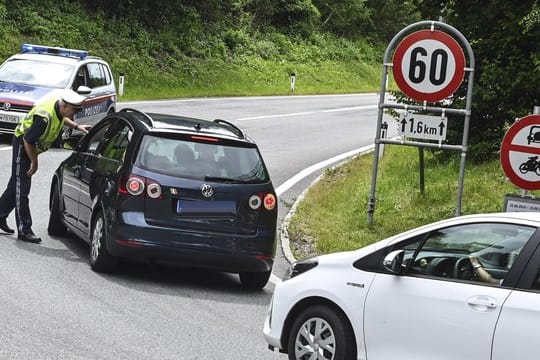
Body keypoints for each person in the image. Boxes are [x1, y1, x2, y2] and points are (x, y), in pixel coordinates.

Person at [0, 90, 91, 243]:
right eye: (73, 111)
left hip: (29, 146)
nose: (74, 114)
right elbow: (28, 140)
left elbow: (63, 118)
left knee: (15, 185)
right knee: (22, 188)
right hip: (23, 145)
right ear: (65, 106)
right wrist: (34, 162)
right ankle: (25, 229)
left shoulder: (60, 109)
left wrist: (76, 126)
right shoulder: (44, 117)